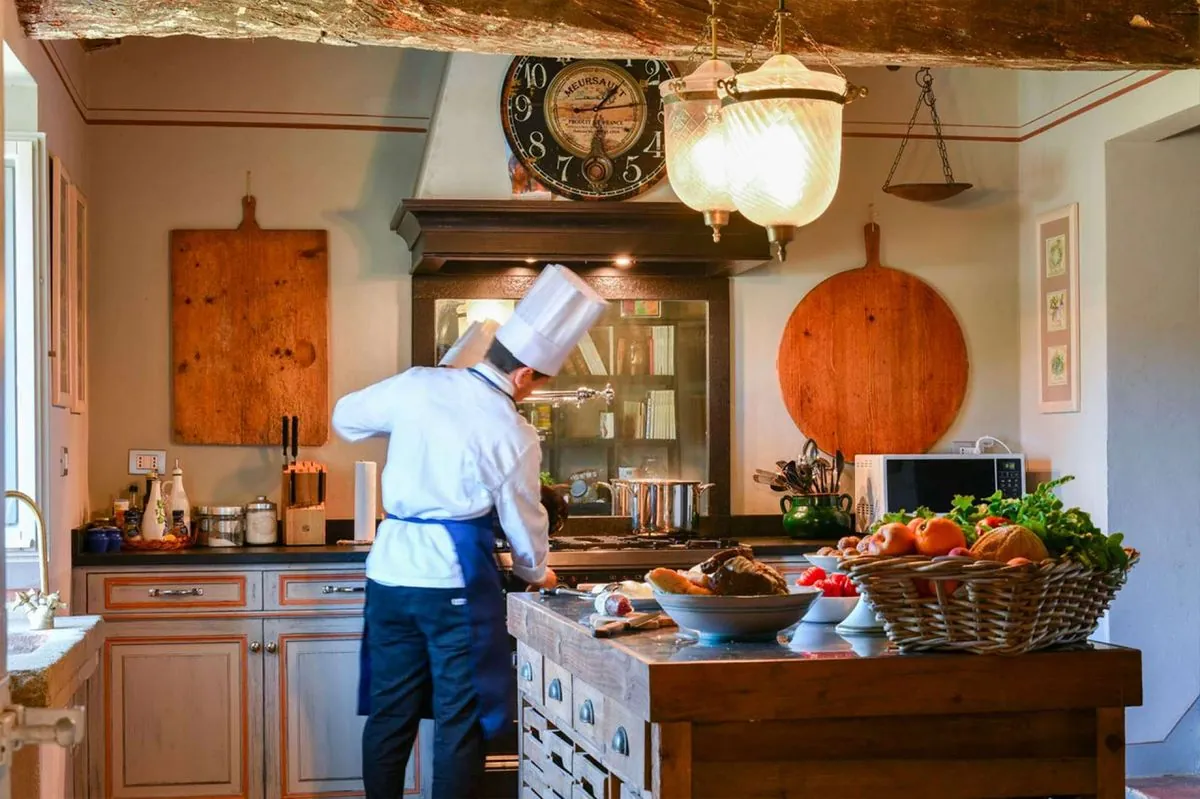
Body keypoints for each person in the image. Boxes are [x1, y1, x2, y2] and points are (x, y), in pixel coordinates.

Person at [332, 264, 607, 799]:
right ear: (525, 375)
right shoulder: (513, 430)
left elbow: (345, 419)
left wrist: (422, 402)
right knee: (460, 719)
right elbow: (525, 521)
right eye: (537, 386)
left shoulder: (419, 384)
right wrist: (534, 571)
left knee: (392, 713)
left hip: (389, 573)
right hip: (450, 582)